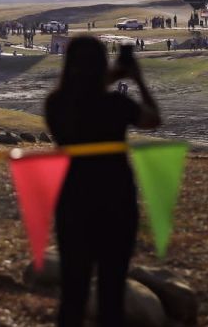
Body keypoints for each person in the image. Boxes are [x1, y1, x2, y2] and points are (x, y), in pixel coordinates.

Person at [44, 37, 160, 326]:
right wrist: (138, 79)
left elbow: (79, 98)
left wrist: (105, 78)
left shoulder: (55, 105)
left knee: (73, 292)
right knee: (112, 292)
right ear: (101, 65)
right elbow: (153, 119)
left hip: (72, 202)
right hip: (116, 202)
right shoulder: (117, 104)